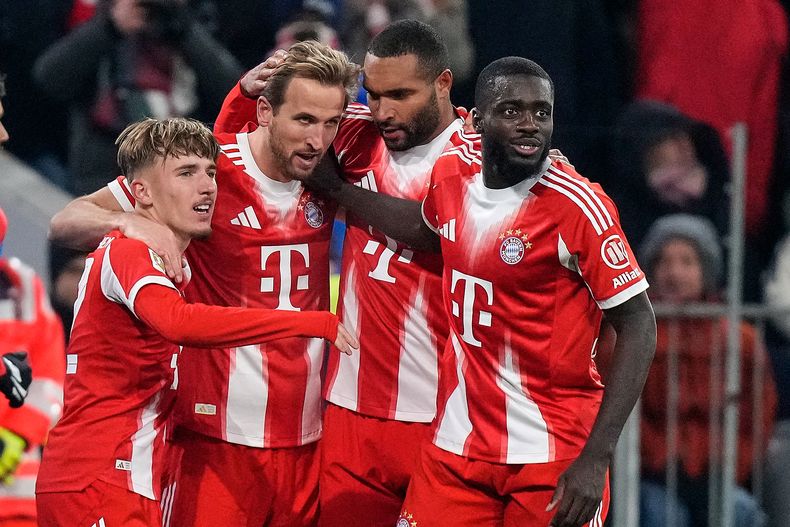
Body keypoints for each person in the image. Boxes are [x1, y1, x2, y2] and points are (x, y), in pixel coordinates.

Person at [306, 56, 657, 526]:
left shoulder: (579, 207)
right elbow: (424, 229)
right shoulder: (454, 172)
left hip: (551, 451)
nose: (529, 124)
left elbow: (638, 324)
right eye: (512, 111)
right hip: (458, 444)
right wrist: (338, 190)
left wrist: (597, 455)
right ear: (477, 120)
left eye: (541, 112)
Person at [47, 41, 360, 526]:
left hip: (307, 437)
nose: (317, 140)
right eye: (303, 120)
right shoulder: (207, 173)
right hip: (211, 441)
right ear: (265, 112)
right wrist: (128, 221)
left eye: (330, 123)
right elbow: (66, 221)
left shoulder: (331, 175)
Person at [213, 21, 474, 525]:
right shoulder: (352, 130)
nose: (383, 111)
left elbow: (433, 230)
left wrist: (338, 190)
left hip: (442, 415)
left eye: (401, 95)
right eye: (373, 95)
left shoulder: (478, 156)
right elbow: (244, 157)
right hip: (348, 411)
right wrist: (243, 97)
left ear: (443, 83)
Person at [637, 214, 774, 527]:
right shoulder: (634, 335)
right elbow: (625, 411)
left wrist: (730, 464)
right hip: (653, 475)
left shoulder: (742, 339)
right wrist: (660, 460)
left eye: (687, 261)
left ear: (707, 270)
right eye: (664, 262)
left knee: (744, 513)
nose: (674, 273)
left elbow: (758, 416)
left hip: (720, 475)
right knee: (662, 516)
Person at [32, 0, 244, 195]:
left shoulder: (202, 18)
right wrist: (111, 27)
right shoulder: (105, 15)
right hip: (104, 169)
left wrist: (185, 29)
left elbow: (235, 93)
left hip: (182, 165)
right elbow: (49, 77)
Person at [0, 76, 61, 526]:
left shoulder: (23, 288)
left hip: (17, 499)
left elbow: (48, 380)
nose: (4, 136)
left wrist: (16, 435)